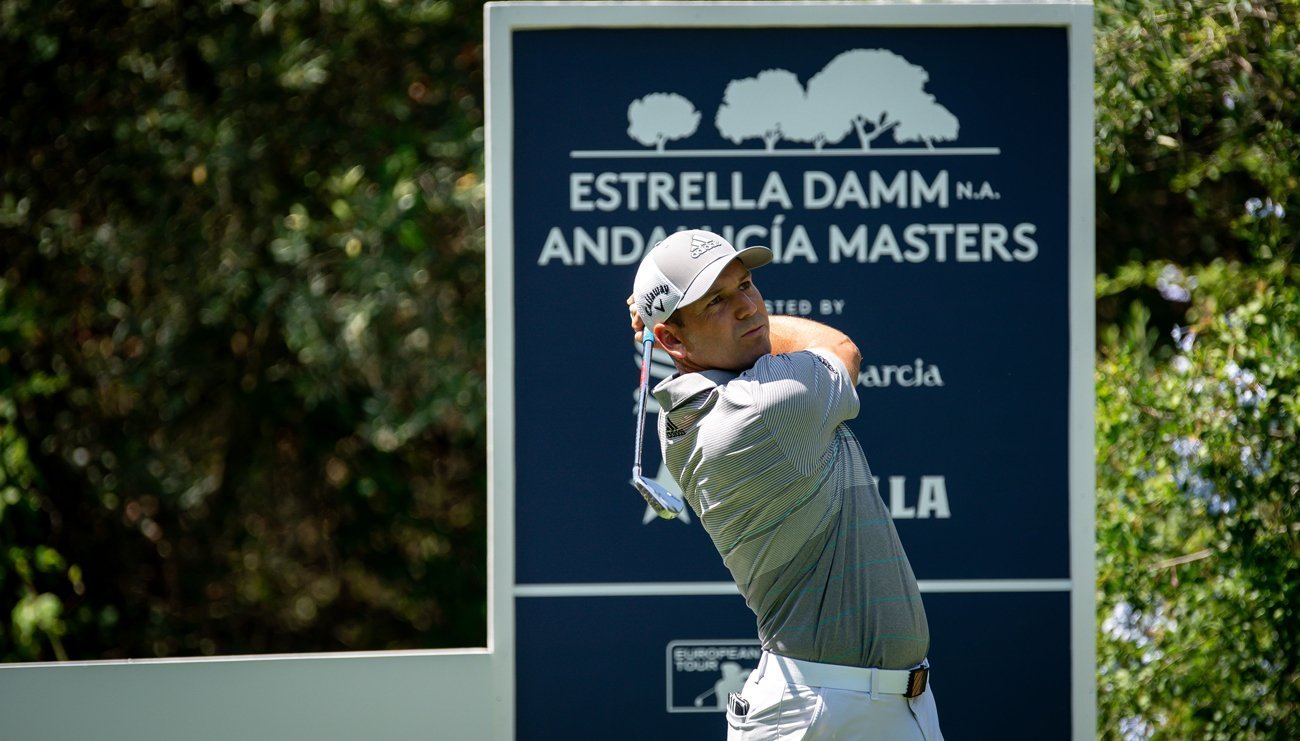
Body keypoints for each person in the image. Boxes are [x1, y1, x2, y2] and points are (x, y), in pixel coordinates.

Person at [628, 229, 943, 740]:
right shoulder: (764, 407)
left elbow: (725, 345)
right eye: (716, 302)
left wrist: (669, 326)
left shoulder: (693, 413)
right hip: (829, 711)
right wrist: (663, 325)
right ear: (671, 342)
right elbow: (839, 348)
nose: (750, 308)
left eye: (747, 285)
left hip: (850, 702)